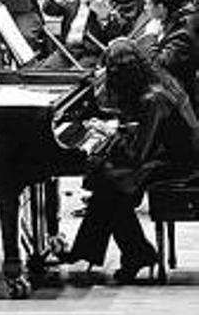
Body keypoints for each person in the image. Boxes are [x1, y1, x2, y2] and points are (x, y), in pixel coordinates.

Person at [59, 39, 199, 284]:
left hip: (181, 164)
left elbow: (138, 153)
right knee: (108, 182)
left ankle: (130, 254)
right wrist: (116, 130)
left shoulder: (153, 98)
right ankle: (120, 252)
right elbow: (143, 136)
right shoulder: (155, 81)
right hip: (169, 154)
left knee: (111, 182)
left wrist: (108, 132)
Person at [138, 0, 198, 106]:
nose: (144, 8)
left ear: (161, 7)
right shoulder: (168, 21)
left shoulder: (183, 35)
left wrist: (150, 37)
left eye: (148, 3)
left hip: (176, 106)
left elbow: (158, 67)